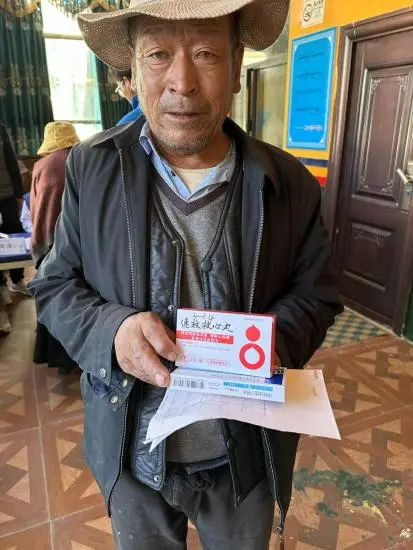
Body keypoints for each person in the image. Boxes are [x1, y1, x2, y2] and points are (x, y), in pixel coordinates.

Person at [29, 1, 343, 548]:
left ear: (237, 64)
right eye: (158, 54)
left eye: (205, 54)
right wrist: (112, 331)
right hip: (131, 450)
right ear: (132, 71)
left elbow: (316, 295)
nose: (182, 82)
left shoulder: (289, 183)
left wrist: (276, 343)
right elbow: (54, 286)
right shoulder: (90, 170)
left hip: (245, 456)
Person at [30, 121, 80, 374]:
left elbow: (36, 209)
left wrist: (36, 245)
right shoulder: (83, 160)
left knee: (53, 296)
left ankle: (56, 358)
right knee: (80, 297)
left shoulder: (42, 166)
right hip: (81, 243)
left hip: (50, 242)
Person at [0, 121, 30, 298]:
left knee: (16, 236)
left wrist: (19, 194)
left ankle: (17, 280)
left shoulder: (1, 127)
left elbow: (11, 160)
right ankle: (1, 286)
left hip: (7, 195)